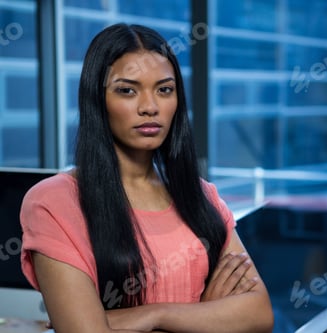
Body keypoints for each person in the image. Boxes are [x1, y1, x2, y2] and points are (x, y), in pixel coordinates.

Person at [20, 23, 274, 333]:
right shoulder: (54, 202)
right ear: (97, 100)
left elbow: (259, 315)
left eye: (164, 90)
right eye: (127, 90)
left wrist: (155, 315)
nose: (150, 107)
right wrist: (206, 315)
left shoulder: (202, 197)